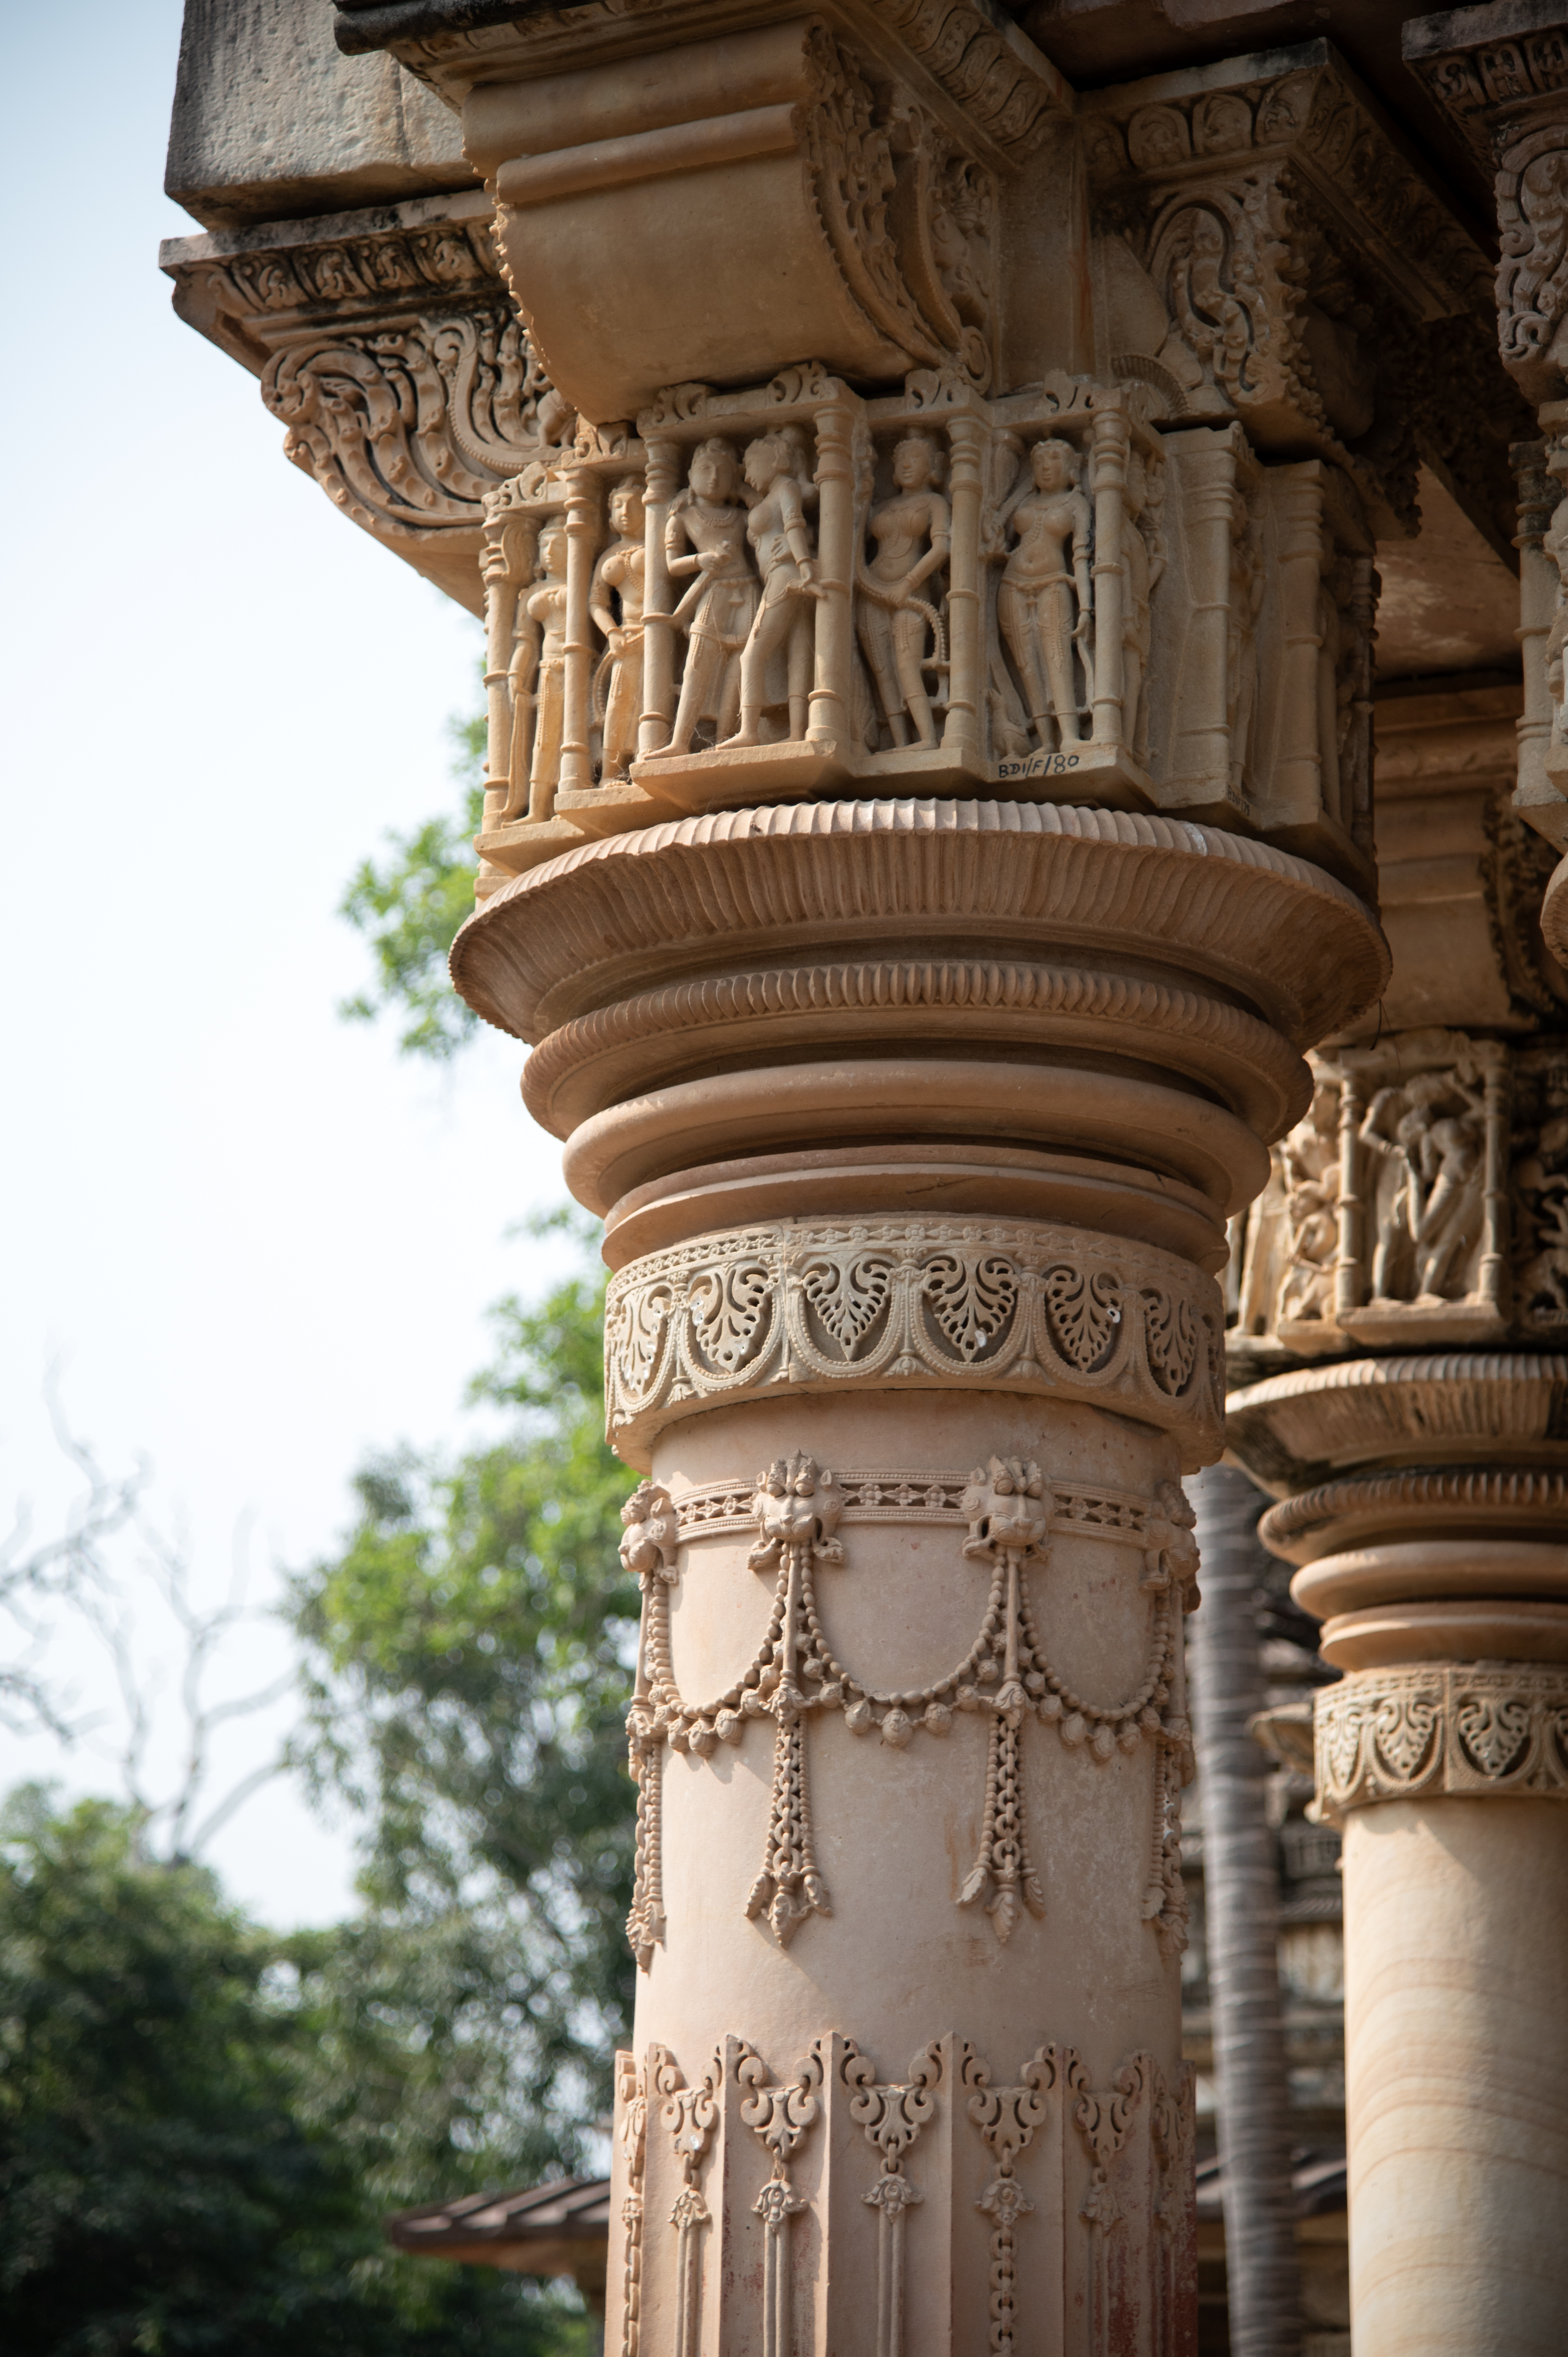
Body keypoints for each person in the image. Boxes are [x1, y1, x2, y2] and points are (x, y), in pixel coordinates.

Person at [721, 431, 823, 749]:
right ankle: (796, 732)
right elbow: (760, 506)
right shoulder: (771, 495)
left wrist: (805, 563)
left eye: (751, 464)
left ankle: (749, 731)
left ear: (775, 460)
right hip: (783, 576)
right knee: (798, 651)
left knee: (752, 655)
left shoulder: (786, 488)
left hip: (786, 576)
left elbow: (794, 524)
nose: (748, 473)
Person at [996, 437, 1092, 753]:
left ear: (1072, 468)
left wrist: (1086, 608)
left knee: (1057, 657)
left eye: (1054, 460)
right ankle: (1047, 740)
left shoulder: (1075, 503)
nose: (1046, 467)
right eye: (1039, 463)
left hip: (1053, 584)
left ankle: (1070, 736)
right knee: (1027, 664)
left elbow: (1081, 555)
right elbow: (998, 539)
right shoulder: (1023, 504)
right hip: (1012, 584)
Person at [857, 432, 951, 749]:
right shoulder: (883, 505)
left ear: (933, 466)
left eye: (916, 458)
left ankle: (927, 739)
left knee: (906, 666)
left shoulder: (934, 502)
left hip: (911, 595)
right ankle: (899, 741)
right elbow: (856, 541)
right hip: (872, 592)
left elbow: (941, 549)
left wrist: (908, 583)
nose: (907, 465)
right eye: (901, 460)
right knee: (883, 670)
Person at [664, 438, 755, 754]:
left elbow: (770, 514)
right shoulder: (682, 517)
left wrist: (743, 490)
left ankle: (725, 737)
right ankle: (679, 742)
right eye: (705, 469)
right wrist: (699, 560)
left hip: (747, 589)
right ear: (690, 475)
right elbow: (673, 565)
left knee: (741, 663)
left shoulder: (740, 516)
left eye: (723, 472)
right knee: (697, 664)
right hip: (712, 590)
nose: (714, 477)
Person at [590, 475, 646, 783]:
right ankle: (611, 771)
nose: (625, 511)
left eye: (634, 504)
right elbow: (596, 602)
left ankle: (644, 759)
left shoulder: (657, 545)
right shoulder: (608, 557)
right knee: (619, 702)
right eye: (618, 505)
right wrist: (611, 632)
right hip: (625, 637)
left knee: (648, 698)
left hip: (654, 632)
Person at [522, 522, 568, 823]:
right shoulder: (535, 591)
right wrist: (516, 676)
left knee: (571, 734)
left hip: (577, 664)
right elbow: (525, 642)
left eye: (558, 544)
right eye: (545, 546)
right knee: (545, 737)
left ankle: (567, 799)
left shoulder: (580, 582)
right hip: (549, 667)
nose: (550, 552)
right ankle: (538, 809)